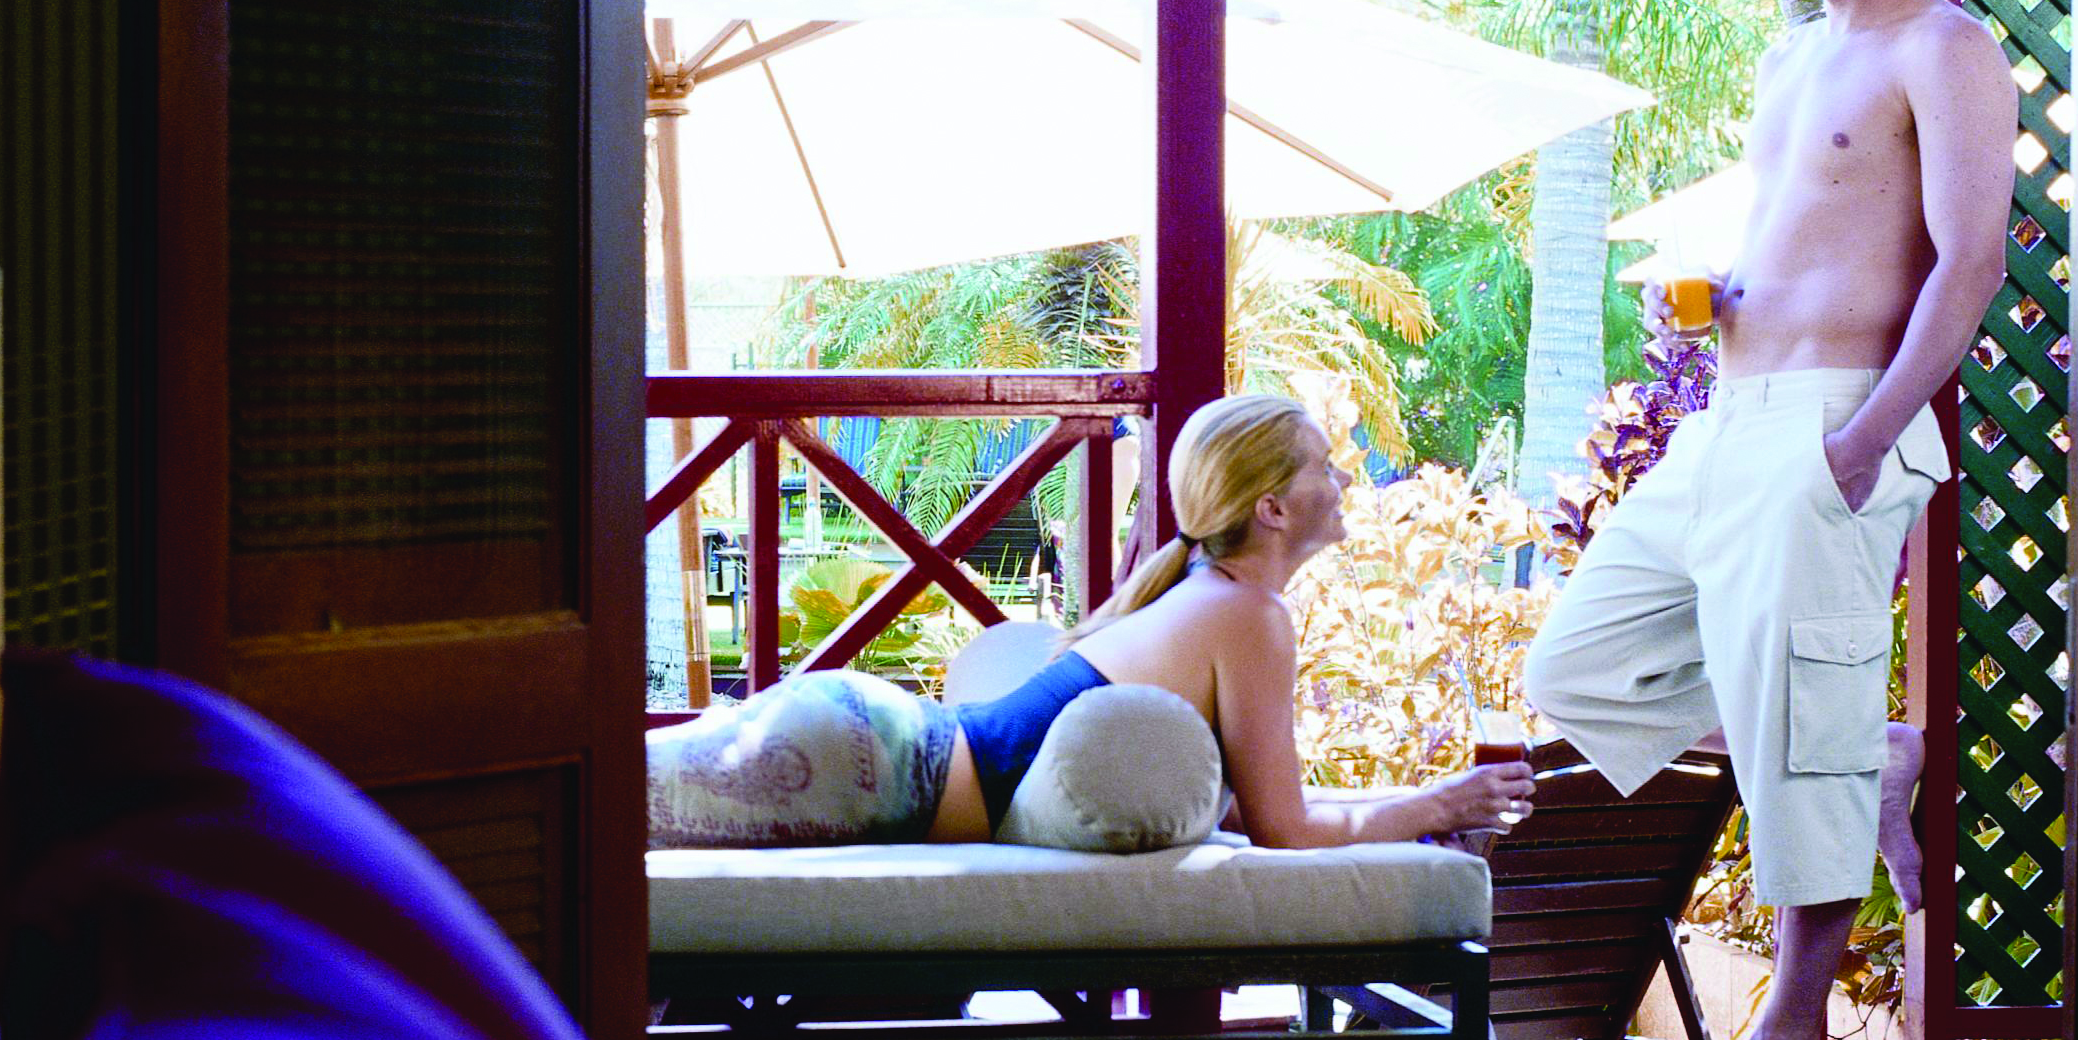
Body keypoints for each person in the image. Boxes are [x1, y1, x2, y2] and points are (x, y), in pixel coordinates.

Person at [1525, 0, 2018, 1040]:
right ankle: (1869, 753)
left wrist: (1866, 434)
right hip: (1729, 418)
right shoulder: (1787, 61)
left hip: (1834, 418)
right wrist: (1723, 293)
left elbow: (1971, 258)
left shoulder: (1944, 49)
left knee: (1800, 746)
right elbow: (1803, 231)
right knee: (1574, 665)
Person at [648, 389, 1534, 851]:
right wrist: (1436, 802)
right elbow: (1286, 832)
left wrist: (1418, 807)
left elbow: (1274, 813)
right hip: (884, 766)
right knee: (595, 809)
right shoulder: (1247, 614)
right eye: (1321, 467)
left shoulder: (1207, 595)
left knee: (604, 797)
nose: (1340, 483)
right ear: (1269, 508)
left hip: (875, 744)